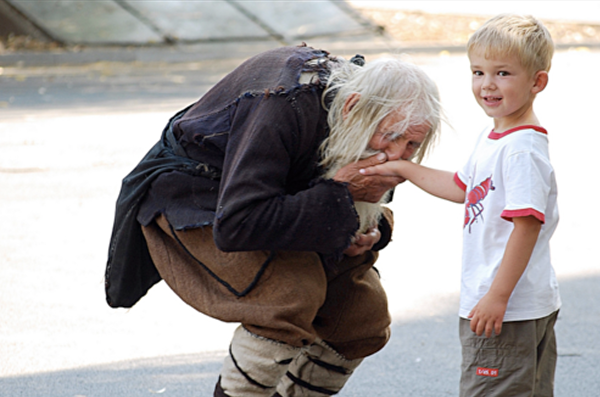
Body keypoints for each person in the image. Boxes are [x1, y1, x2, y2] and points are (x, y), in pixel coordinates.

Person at [104, 43, 442, 397]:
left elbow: (359, 195)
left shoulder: (371, 120)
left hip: (286, 205)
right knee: (288, 296)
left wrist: (372, 227)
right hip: (202, 199)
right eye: (391, 138)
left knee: (362, 319)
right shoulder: (281, 101)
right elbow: (239, 223)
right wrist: (339, 199)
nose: (396, 156)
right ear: (353, 107)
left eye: (412, 145)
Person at [361, 14, 561, 396]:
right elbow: (461, 187)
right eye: (478, 72)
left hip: (505, 306)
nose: (487, 84)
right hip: (517, 303)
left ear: (537, 81)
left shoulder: (520, 150)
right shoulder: (497, 136)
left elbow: (526, 226)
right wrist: (404, 167)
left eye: (503, 73)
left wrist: (496, 297)